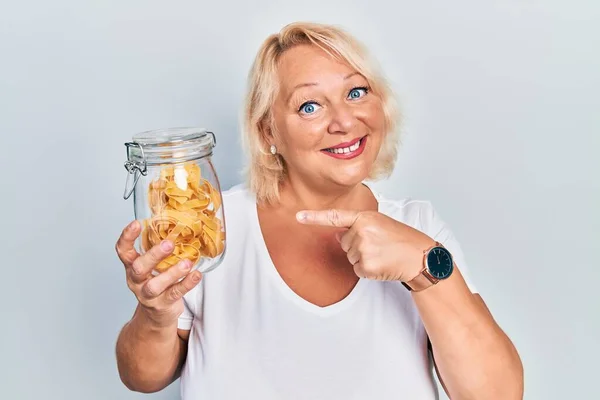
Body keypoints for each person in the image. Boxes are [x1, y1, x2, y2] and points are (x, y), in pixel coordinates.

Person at [115, 22, 524, 399]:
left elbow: (497, 395)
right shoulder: (212, 226)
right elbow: (142, 377)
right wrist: (155, 315)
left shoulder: (417, 226)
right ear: (267, 131)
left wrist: (424, 268)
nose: (345, 121)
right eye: (310, 106)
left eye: (356, 92)